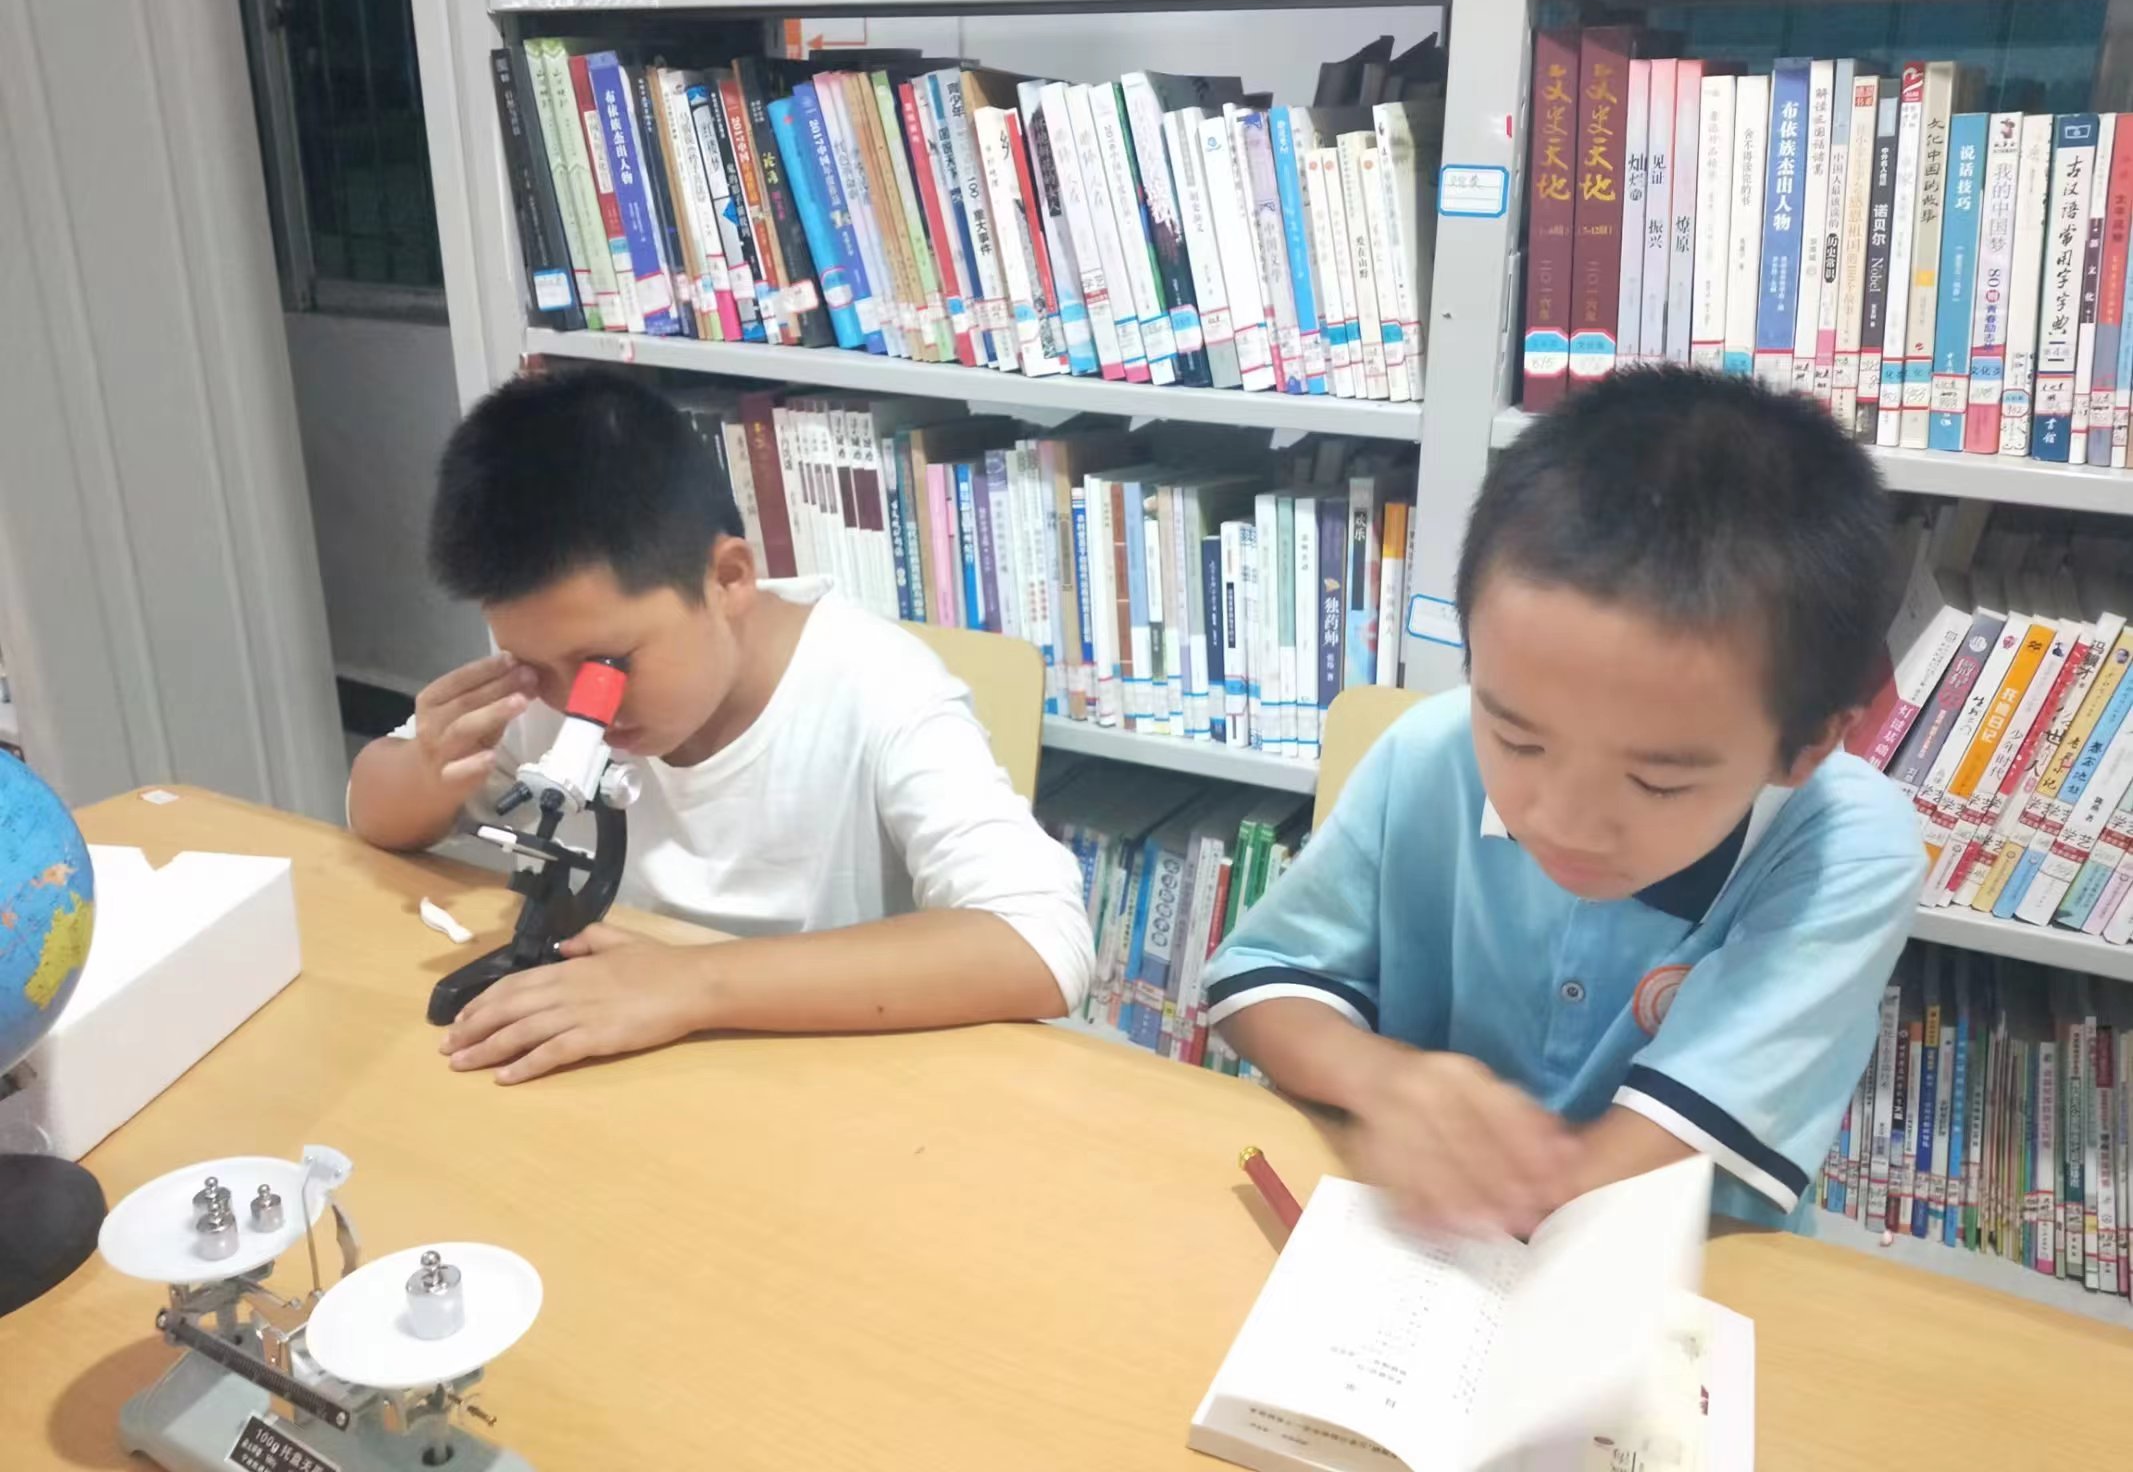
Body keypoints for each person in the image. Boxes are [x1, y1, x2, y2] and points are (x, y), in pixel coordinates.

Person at [1204, 366, 1926, 1232]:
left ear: (1807, 745)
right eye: (1516, 740)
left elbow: (1620, 1169)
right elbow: (1256, 984)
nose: (1561, 820)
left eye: (1656, 781)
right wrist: (1383, 1079)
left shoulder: (1846, 847)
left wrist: (1444, 1137)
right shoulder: (1430, 750)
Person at [348, 370, 1090, 1082]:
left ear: (729, 579)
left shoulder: (882, 690)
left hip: (821, 1080)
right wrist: (427, 771)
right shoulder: (552, 670)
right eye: (531, 663)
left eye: (608, 664)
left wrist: (690, 984)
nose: (577, 705)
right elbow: (372, 812)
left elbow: (1042, 944)